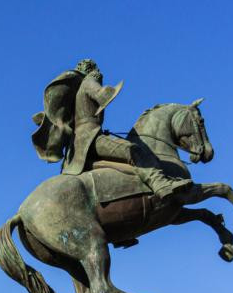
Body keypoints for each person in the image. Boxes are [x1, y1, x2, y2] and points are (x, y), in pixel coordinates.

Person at [32, 58, 190, 200]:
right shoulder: (88, 81)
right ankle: (160, 184)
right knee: (133, 150)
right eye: (96, 70)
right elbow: (102, 95)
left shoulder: (77, 96)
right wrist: (109, 90)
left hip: (80, 146)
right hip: (91, 138)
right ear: (90, 71)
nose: (99, 73)